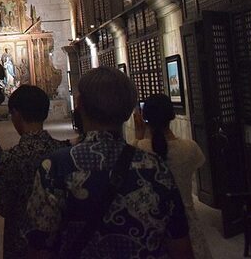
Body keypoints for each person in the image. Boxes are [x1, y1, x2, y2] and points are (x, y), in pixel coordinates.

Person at [24, 67, 193, 258]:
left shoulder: (56, 167)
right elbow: (180, 246)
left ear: (79, 105)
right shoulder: (156, 166)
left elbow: (39, 245)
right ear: (129, 111)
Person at [0, 85, 69, 259]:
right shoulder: (64, 152)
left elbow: (3, 206)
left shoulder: (12, 157)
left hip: (23, 242)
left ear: (17, 115)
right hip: (59, 242)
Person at [135, 94, 212, 259]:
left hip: (151, 220)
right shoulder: (190, 148)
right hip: (186, 218)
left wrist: (139, 135)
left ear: (144, 117)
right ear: (172, 115)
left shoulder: (139, 148)